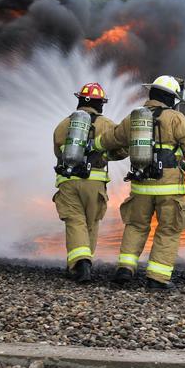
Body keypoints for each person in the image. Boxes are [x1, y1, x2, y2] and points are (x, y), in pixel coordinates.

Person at [92, 75, 185, 290]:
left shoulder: (135, 117)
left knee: (135, 226)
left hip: (140, 186)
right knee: (169, 229)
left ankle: (125, 269)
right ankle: (157, 277)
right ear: (172, 98)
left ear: (152, 94)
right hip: (169, 188)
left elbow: (112, 138)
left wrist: (94, 146)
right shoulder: (175, 118)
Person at [53, 82, 126, 283]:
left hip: (68, 181)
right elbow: (122, 150)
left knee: (74, 221)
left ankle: (79, 264)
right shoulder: (108, 125)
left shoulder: (63, 125)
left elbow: (58, 152)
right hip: (94, 182)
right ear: (100, 104)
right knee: (91, 223)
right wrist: (105, 156)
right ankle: (86, 262)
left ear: (79, 101)